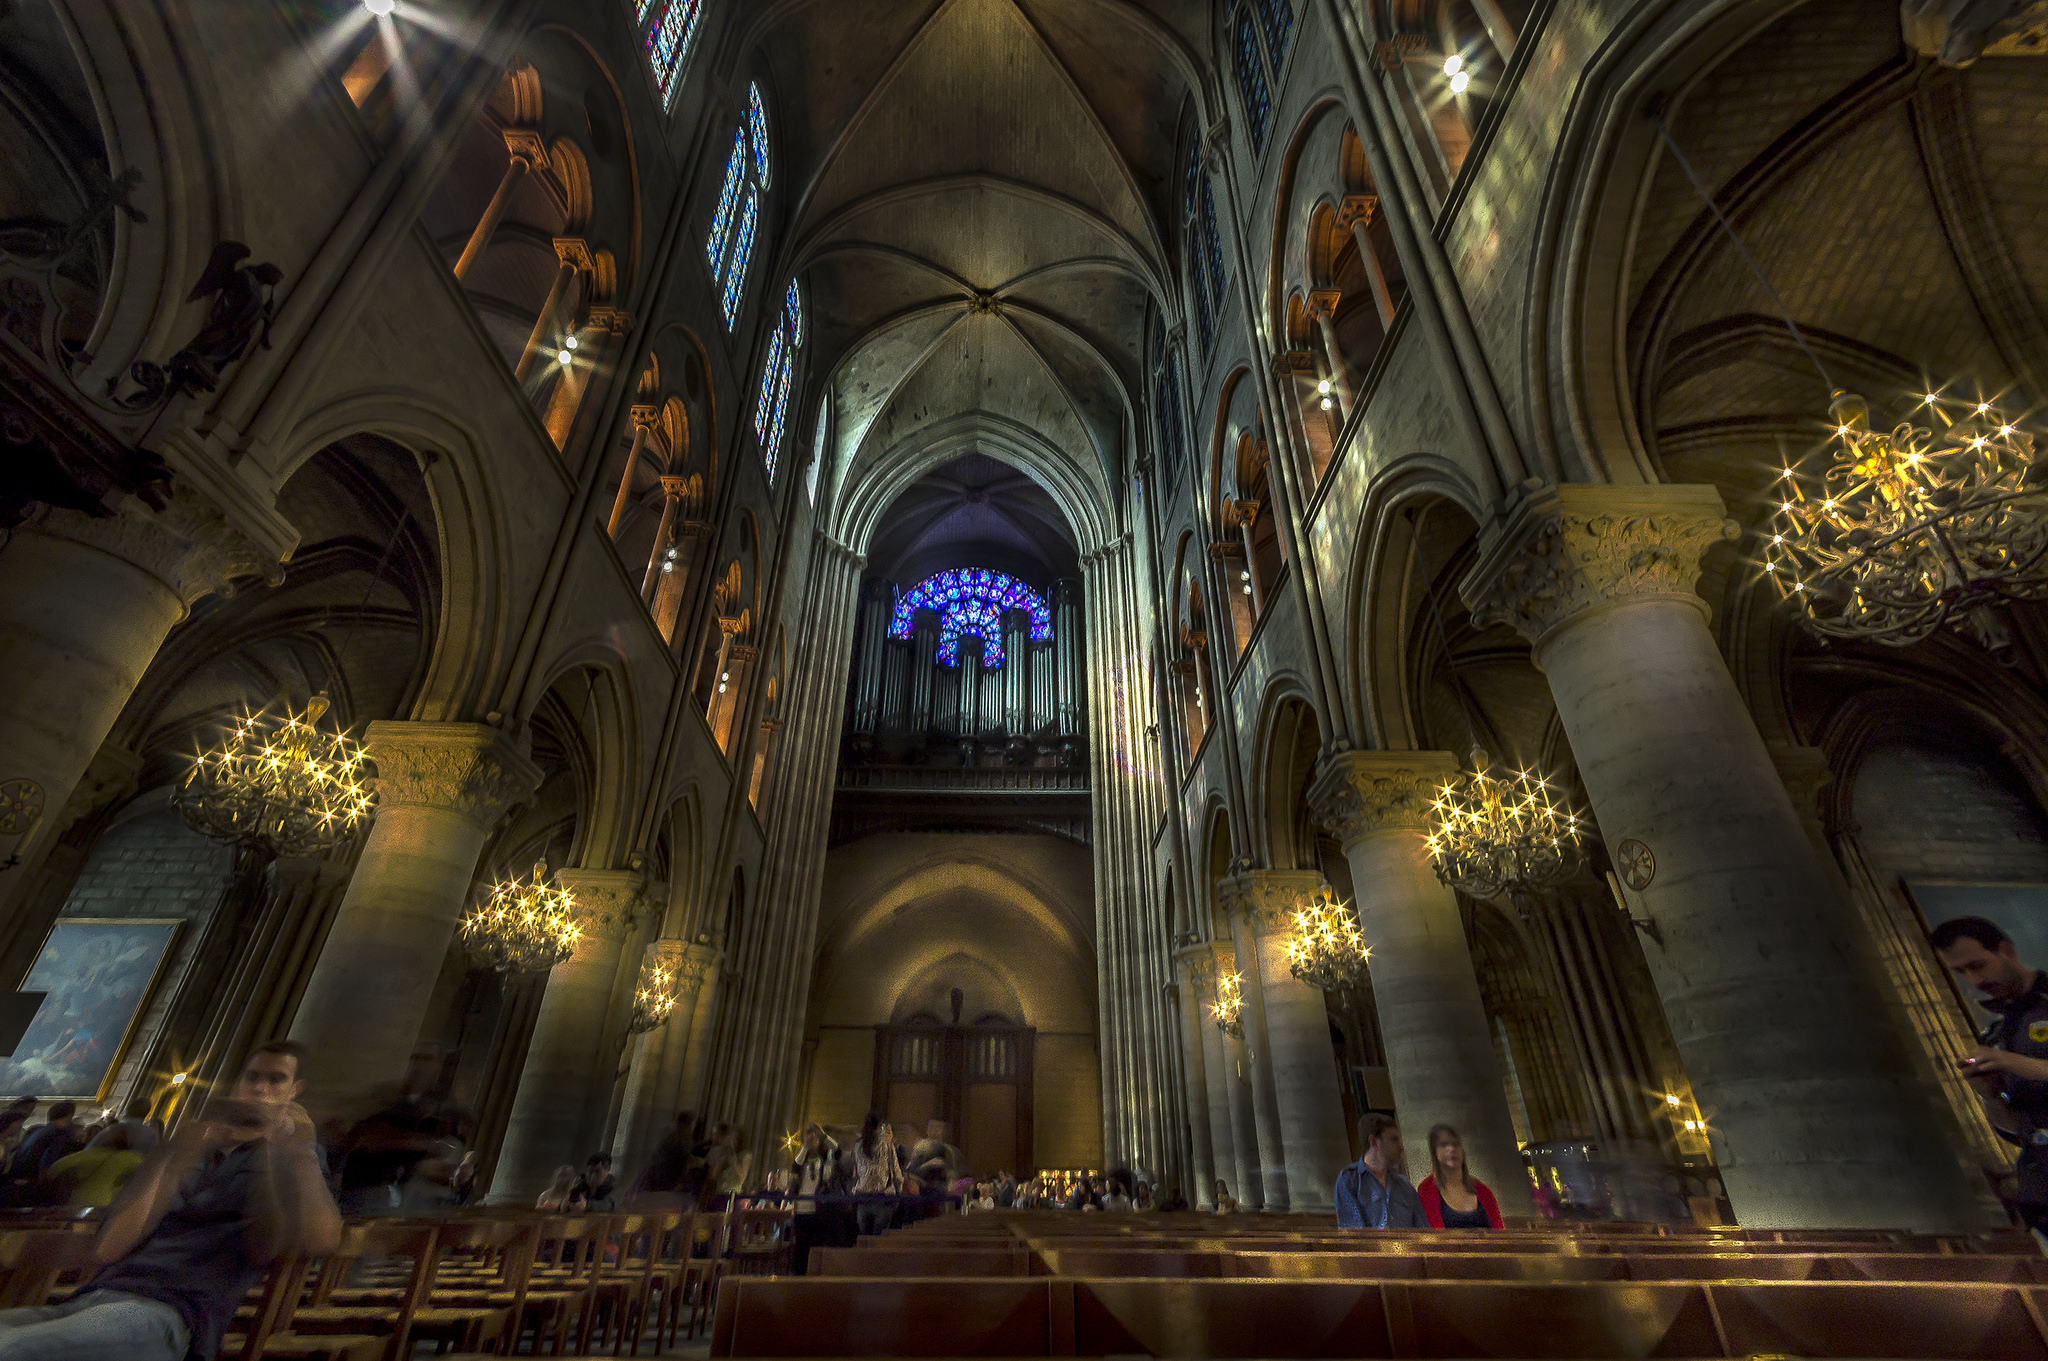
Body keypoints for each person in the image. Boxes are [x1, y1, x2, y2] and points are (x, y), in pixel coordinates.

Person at [0, 1040, 340, 1361]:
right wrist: (174, 1156)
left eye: (276, 1080)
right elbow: (109, 1249)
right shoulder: (188, 1150)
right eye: (252, 1077)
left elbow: (323, 1240)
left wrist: (295, 1150)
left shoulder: (293, 1161)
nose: (259, 1088)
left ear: (294, 1093)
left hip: (170, 1312)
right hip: (91, 1298)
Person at [1934, 915, 2048, 1232]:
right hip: (2040, 1195)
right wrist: (1990, 1094)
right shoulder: (1998, 1031)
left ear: (2006, 951)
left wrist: (2014, 1063)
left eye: (1978, 965)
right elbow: (2015, 1130)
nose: (1974, 980)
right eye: (1961, 972)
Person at [1335, 1114, 1426, 1229]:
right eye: (1393, 1140)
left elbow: (1423, 1231)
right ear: (1373, 1141)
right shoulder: (1350, 1180)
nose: (1400, 1147)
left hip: (1407, 1246)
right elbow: (1355, 1236)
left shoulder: (1403, 1185)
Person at [1416, 1124, 1505, 1230]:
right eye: (1444, 1145)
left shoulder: (1482, 1190)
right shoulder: (1427, 1189)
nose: (1451, 1149)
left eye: (1455, 1144)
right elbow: (1436, 1236)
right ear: (1434, 1152)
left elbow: (1499, 1231)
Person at [47, 1126, 146, 1210]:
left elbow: (54, 1169)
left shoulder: (87, 1155)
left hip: (78, 1202)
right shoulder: (132, 1158)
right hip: (110, 1204)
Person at [851, 1111, 901, 1236]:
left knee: (863, 1240)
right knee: (878, 1241)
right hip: (882, 1197)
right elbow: (895, 1171)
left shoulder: (858, 1145)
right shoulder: (886, 1145)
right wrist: (898, 1192)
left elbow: (856, 1171)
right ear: (880, 1127)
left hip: (863, 1197)